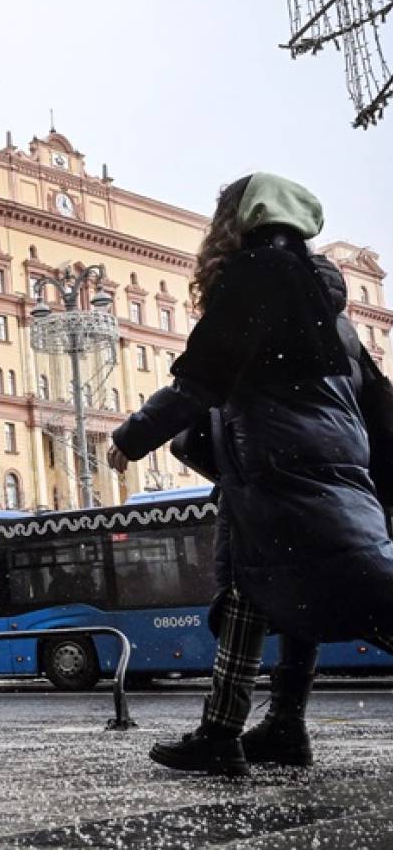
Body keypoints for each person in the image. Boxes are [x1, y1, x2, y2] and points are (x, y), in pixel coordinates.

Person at [108, 173, 393, 776]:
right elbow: (376, 402)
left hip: (280, 467)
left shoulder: (257, 276)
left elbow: (199, 381)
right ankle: (266, 726)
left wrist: (133, 438)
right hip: (324, 468)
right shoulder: (328, 309)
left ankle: (234, 731)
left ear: (239, 222)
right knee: (275, 589)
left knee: (352, 589)